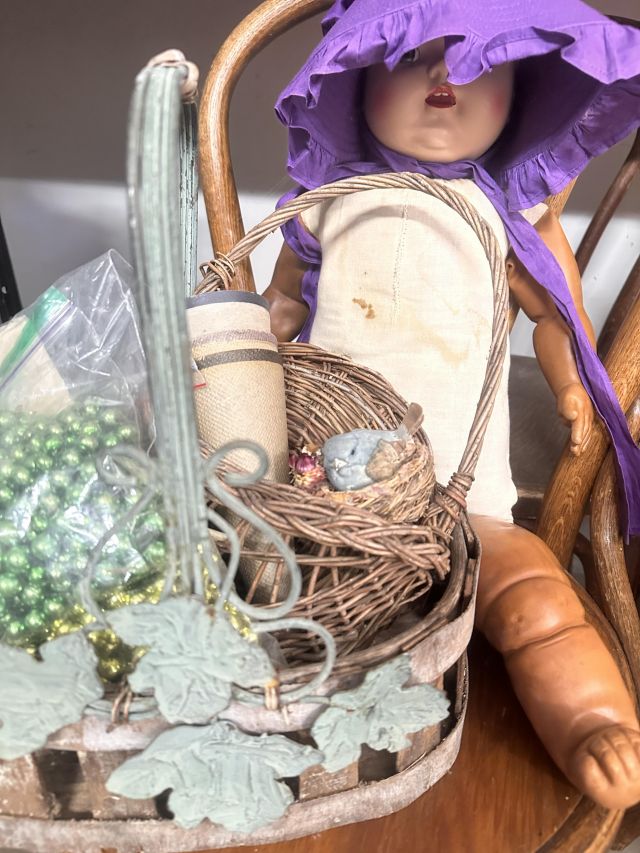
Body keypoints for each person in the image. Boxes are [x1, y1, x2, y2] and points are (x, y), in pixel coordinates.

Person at [263, 0, 640, 808]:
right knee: (249, 582)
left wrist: (572, 385)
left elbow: (555, 317)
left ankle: (591, 720)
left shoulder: (506, 216)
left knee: (537, 602)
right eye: (411, 57)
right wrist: (235, 348)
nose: (444, 73)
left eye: (479, 60)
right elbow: (280, 307)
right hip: (328, 501)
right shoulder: (327, 200)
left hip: (466, 506)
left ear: (521, 92)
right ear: (356, 82)